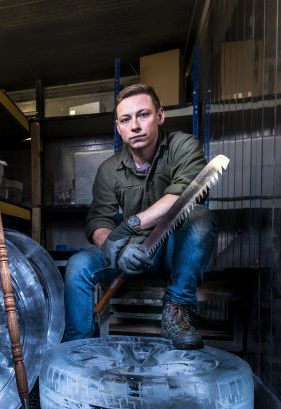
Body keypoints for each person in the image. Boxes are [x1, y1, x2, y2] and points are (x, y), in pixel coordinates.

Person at [62, 83, 217, 350]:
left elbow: (184, 198)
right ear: (118, 127)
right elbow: (98, 221)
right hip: (130, 252)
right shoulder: (109, 170)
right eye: (126, 119)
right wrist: (115, 249)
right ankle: (78, 345)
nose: (135, 125)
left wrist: (131, 224)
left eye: (143, 115)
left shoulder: (182, 146)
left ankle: (176, 310)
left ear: (160, 115)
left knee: (200, 217)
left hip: (173, 251)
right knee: (78, 266)